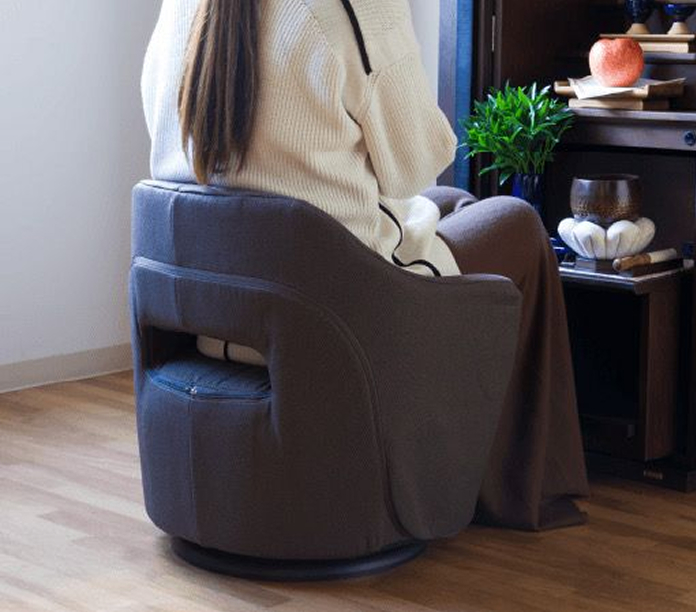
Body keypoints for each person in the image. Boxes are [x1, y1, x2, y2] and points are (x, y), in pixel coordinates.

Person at [141, 0, 589, 530]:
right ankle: (525, 490)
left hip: (216, 312)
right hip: (340, 317)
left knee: (450, 204)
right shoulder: (355, 8)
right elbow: (418, 160)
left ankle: (480, 468)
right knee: (516, 223)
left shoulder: (182, 9)